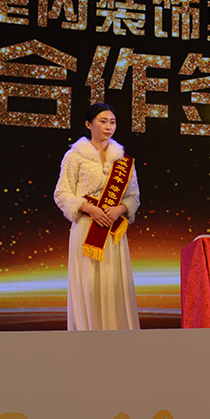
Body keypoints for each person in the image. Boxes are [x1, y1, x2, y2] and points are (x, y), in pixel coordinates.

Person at [54, 103, 140, 330]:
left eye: (112, 122)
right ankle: (88, 334)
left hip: (113, 231)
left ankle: (117, 336)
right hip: (86, 228)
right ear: (88, 124)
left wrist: (121, 209)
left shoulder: (123, 160)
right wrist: (87, 208)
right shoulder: (74, 156)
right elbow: (61, 194)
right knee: (89, 284)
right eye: (103, 121)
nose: (108, 127)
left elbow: (133, 197)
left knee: (113, 284)